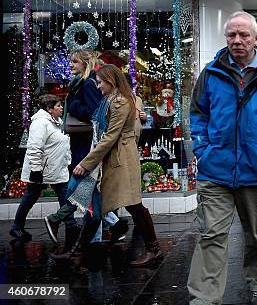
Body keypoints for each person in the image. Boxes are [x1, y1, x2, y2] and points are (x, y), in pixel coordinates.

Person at [188, 11, 257, 305]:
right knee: (211, 235)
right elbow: (197, 114)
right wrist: (203, 149)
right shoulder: (210, 73)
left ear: (256, 39)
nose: (237, 41)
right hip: (215, 171)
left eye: (244, 35)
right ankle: (204, 298)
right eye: (232, 35)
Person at [65, 64, 162, 266]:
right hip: (116, 157)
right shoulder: (112, 100)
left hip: (122, 159)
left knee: (132, 205)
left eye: (100, 83)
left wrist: (86, 162)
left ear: (110, 80)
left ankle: (153, 249)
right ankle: (81, 249)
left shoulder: (119, 102)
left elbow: (110, 137)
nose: (98, 87)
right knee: (97, 203)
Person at [48, 50, 103, 253]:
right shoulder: (80, 83)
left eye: (74, 61)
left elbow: (95, 114)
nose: (70, 64)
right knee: (90, 194)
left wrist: (73, 105)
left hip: (86, 145)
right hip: (82, 144)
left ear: (85, 64)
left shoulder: (87, 83)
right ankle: (95, 238)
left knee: (79, 186)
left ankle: (58, 219)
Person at [10, 95, 76, 241]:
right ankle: (16, 227)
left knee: (64, 196)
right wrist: (35, 169)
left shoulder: (57, 122)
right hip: (42, 170)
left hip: (57, 169)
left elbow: (62, 145)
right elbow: (34, 147)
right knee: (31, 197)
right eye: (58, 106)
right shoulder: (40, 123)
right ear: (49, 109)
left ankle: (71, 225)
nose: (61, 108)